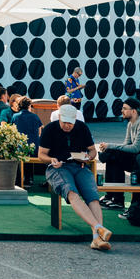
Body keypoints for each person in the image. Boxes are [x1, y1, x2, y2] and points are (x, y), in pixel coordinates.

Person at [39, 104, 111, 251]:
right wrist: (51, 159)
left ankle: (96, 238)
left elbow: (92, 151)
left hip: (79, 166)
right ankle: (99, 228)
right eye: (64, 122)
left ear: (75, 120)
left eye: (70, 123)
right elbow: (41, 155)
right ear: (59, 117)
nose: (67, 126)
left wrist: (87, 157)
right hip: (57, 167)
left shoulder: (82, 127)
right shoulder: (50, 129)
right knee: (72, 192)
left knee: (93, 196)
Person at [96, 98, 140, 210]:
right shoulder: (131, 123)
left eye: (124, 108)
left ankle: (117, 199)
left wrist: (110, 146)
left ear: (134, 111)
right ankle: (112, 197)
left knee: (113, 155)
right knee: (113, 157)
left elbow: (135, 148)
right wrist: (111, 148)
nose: (121, 111)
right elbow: (126, 145)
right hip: (138, 157)